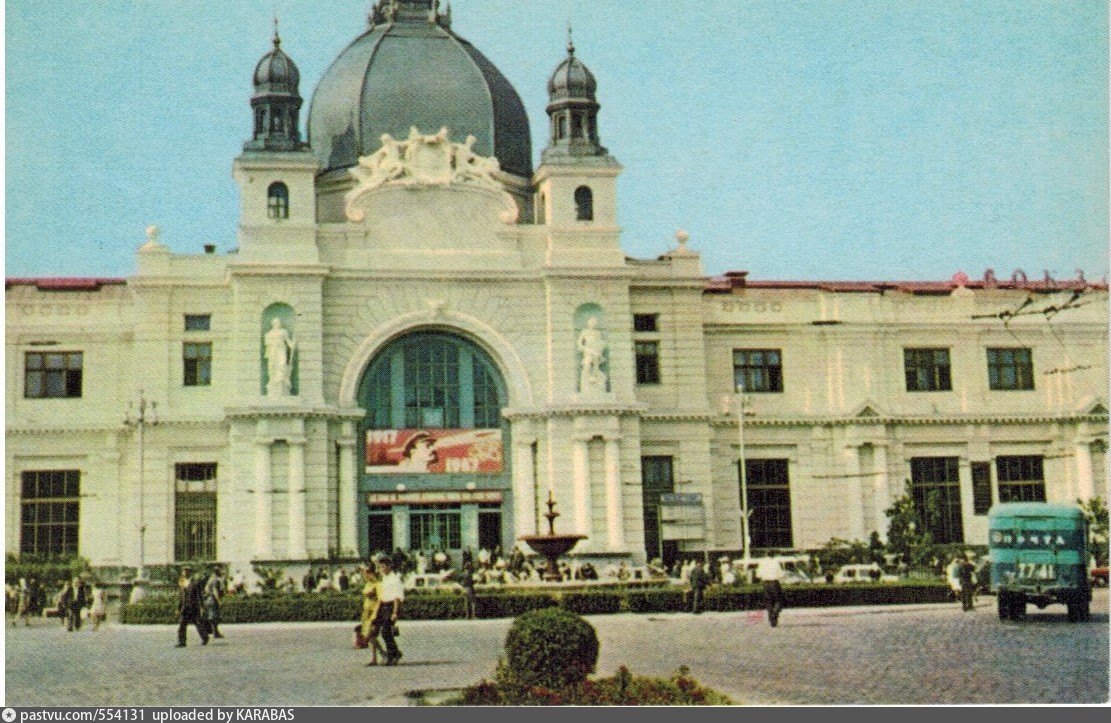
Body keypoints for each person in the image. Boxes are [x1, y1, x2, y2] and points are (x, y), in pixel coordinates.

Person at [374, 557, 405, 666]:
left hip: (391, 606)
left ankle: (393, 654)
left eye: (383, 566)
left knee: (386, 631)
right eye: (380, 566)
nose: (381, 569)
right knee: (382, 631)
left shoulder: (394, 579)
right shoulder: (385, 578)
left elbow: (397, 597)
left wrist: (395, 613)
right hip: (384, 606)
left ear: (389, 566)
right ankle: (395, 653)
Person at [359, 564, 387, 666]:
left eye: (365, 572)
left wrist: (375, 613)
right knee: (369, 636)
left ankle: (382, 654)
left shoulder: (377, 584)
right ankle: (375, 658)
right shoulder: (368, 584)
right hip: (366, 612)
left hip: (374, 613)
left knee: (371, 634)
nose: (363, 574)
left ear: (370, 573)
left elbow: (380, 599)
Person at [176, 566, 209, 647]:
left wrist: (202, 607)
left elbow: (199, 596)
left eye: (187, 571)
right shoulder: (181, 582)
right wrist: (178, 608)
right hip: (184, 607)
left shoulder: (195, 582)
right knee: (182, 625)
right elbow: (180, 597)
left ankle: (205, 638)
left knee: (198, 624)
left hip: (194, 607)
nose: (185, 572)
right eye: (184, 571)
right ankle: (182, 642)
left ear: (190, 572)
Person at [264, 318, 296, 396]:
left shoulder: (283, 332)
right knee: (272, 366)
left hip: (281, 350)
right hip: (273, 351)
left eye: (279, 322)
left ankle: (282, 380)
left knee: (282, 365)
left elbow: (288, 342)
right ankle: (273, 381)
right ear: (273, 324)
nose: (278, 323)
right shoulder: (269, 333)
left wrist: (292, 345)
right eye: (276, 322)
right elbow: (267, 344)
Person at [756, 558, 787, 628]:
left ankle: (772, 620)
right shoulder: (775, 562)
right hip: (774, 583)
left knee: (769, 601)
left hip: (765, 583)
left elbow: (758, 575)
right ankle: (774, 615)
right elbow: (780, 574)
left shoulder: (762, 562)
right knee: (779, 601)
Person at [204, 566, 226, 639]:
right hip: (213, 600)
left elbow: (206, 589)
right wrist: (219, 601)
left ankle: (215, 632)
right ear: (217, 572)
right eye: (220, 571)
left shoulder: (210, 579)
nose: (221, 572)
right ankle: (214, 632)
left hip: (209, 600)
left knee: (213, 617)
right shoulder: (215, 580)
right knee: (214, 617)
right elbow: (215, 591)